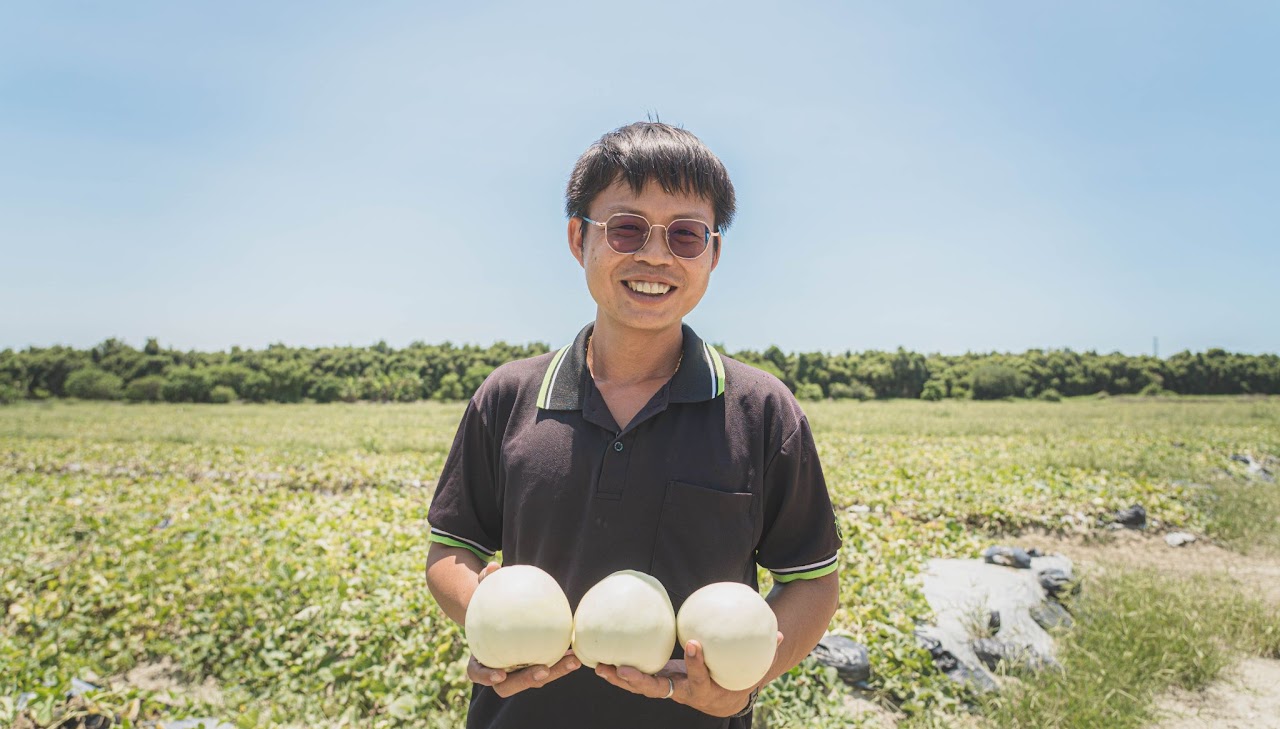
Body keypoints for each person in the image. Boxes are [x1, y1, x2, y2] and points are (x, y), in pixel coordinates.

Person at [426, 121, 841, 729]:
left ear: (714, 254)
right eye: (626, 228)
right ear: (578, 239)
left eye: (686, 235)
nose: (655, 255)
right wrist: (488, 617)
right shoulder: (508, 396)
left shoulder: (761, 411)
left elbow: (811, 583)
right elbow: (451, 550)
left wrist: (744, 683)